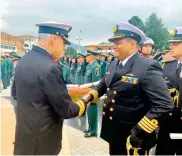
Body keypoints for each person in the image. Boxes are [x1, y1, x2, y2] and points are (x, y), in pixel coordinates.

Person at [81, 22, 174, 155]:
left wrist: (139, 130)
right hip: (113, 132)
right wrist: (87, 99)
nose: (114, 46)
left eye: (118, 42)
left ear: (132, 43)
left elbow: (164, 104)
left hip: (134, 138)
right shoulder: (113, 64)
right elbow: (103, 84)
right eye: (114, 43)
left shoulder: (148, 66)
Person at [13, 21, 89, 155]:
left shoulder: (23, 60)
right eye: (64, 43)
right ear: (54, 39)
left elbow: (15, 94)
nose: (64, 48)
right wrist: (84, 102)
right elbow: (67, 111)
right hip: (43, 145)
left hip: (24, 141)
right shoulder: (50, 68)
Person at [155, 27, 182, 155]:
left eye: (176, 43)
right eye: (171, 43)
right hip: (168, 124)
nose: (171, 46)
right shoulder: (166, 66)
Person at [84, 49, 101, 138]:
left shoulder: (96, 67)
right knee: (89, 111)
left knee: (92, 110)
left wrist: (92, 96)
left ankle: (94, 130)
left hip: (92, 93)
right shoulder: (89, 66)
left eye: (87, 56)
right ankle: (90, 127)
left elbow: (96, 83)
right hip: (87, 93)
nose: (85, 57)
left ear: (92, 56)